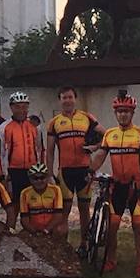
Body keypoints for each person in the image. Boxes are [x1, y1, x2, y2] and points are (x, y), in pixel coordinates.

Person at [89, 91, 140, 278]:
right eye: (119, 111)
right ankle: (111, 260)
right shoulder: (110, 134)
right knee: (112, 227)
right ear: (115, 113)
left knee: (139, 228)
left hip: (136, 187)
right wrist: (90, 170)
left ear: (132, 113)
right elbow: (101, 156)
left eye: (126, 111)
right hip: (117, 187)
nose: (123, 115)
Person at [45, 85, 106, 245]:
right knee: (64, 210)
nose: (67, 100)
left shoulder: (87, 117)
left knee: (84, 209)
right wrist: (49, 174)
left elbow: (107, 136)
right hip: (65, 171)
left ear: (75, 99)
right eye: (64, 98)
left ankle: (84, 245)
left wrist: (95, 147)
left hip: (85, 170)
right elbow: (50, 151)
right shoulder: (54, 122)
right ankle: (62, 246)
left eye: (70, 97)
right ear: (59, 100)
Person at [0, 91, 41, 212]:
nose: (21, 110)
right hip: (14, 171)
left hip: (32, 170)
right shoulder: (4, 126)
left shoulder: (35, 126)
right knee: (14, 205)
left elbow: (40, 148)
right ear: (11, 107)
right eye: (17, 107)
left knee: (32, 204)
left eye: (24, 107)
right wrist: (3, 174)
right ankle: (12, 225)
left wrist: (41, 168)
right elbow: (1, 152)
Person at [18, 163, 67, 240]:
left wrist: (46, 230)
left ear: (47, 178)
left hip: (51, 228)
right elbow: (24, 219)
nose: (39, 181)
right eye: (35, 178)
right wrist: (34, 232)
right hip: (33, 229)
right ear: (30, 179)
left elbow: (58, 215)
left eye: (42, 177)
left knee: (61, 230)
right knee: (22, 235)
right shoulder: (25, 193)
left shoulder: (56, 190)